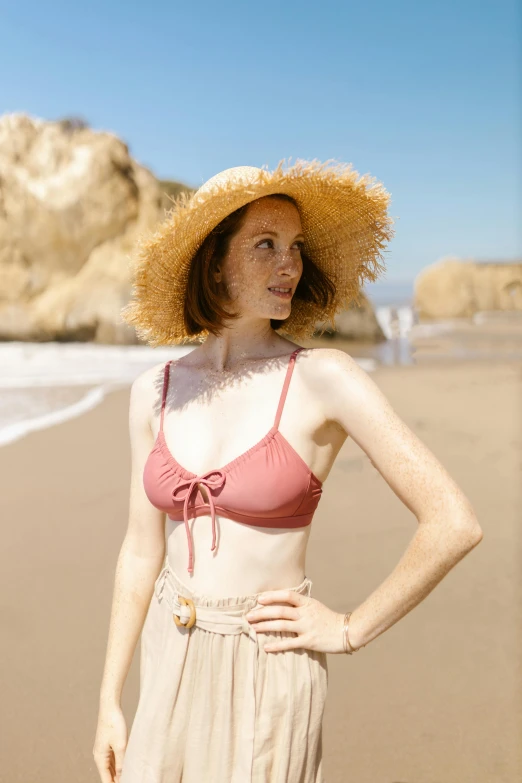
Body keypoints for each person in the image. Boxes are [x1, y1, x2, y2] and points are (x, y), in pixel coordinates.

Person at [92, 160, 483, 783]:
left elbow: (453, 522)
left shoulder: (324, 378)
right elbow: (141, 552)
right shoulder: (155, 391)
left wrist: (350, 629)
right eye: (266, 245)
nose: (290, 265)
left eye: (296, 247)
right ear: (214, 261)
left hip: (265, 666)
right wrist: (111, 700)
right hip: (169, 655)